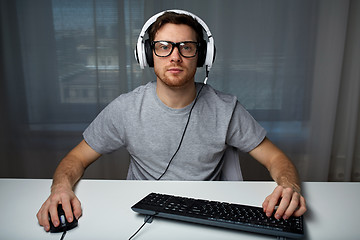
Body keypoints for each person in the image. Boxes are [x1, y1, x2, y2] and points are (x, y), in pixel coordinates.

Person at [37, 10, 306, 232]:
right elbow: (76, 158)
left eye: (186, 47)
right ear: (147, 55)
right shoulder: (125, 108)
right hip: (140, 218)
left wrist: (288, 186)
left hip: (206, 219)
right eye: (163, 47)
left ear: (201, 57)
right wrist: (60, 189)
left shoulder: (226, 109)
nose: (175, 56)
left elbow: (276, 159)